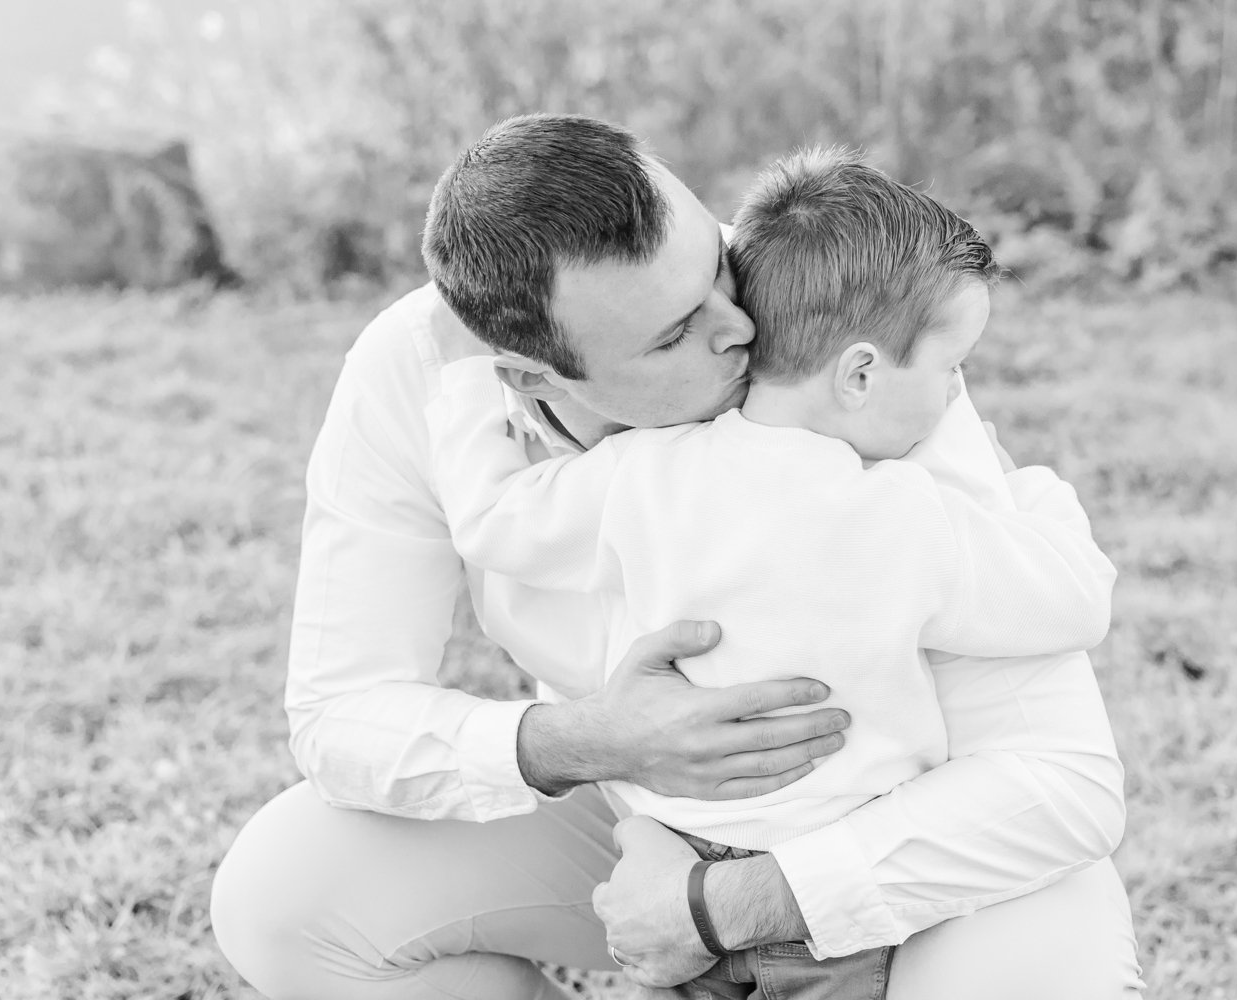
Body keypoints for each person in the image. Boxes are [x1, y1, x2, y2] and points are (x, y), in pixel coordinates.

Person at [210, 114, 1143, 1000]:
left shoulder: (830, 324)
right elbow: (340, 716)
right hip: (647, 819)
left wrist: (732, 902)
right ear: (531, 377)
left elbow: (1063, 781)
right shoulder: (425, 377)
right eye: (670, 336)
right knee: (283, 898)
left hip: (922, 818)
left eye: (714, 266)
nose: (738, 328)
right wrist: (595, 741)